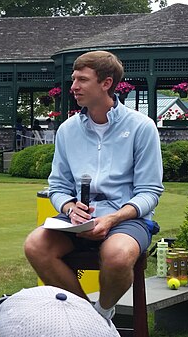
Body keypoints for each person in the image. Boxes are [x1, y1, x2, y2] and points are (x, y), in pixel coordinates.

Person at [23, 50, 163, 325]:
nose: (73, 87)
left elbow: (150, 192)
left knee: (119, 255)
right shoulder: (67, 130)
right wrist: (69, 207)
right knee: (35, 245)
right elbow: (58, 186)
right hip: (79, 218)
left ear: (106, 83)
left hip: (126, 217)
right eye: (74, 79)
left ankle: (103, 312)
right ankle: (92, 319)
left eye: (82, 80)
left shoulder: (141, 127)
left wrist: (112, 218)